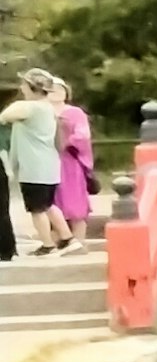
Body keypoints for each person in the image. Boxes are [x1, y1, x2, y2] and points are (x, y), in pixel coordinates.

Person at [0, 73, 65, 255]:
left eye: (24, 85)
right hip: (48, 165)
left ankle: (48, 244)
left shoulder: (30, 108)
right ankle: (67, 238)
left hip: (34, 167)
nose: (21, 88)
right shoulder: (48, 109)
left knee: (36, 209)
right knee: (48, 205)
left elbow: (5, 116)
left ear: (31, 88)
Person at [52, 82, 93, 247]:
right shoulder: (42, 111)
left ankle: (79, 242)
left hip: (70, 161)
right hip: (48, 160)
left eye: (61, 88)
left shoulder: (75, 112)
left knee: (75, 202)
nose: (57, 91)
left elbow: (83, 134)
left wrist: (68, 141)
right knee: (51, 202)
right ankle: (55, 242)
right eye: (53, 88)